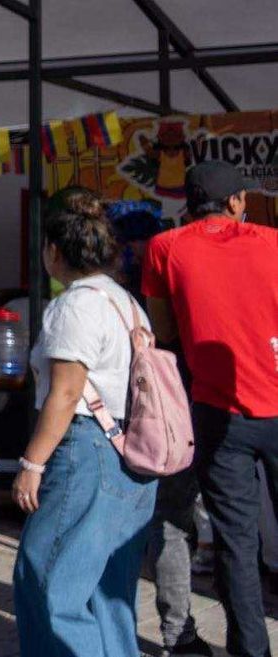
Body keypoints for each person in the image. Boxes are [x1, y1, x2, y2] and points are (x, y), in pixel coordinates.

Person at [12, 191, 157, 656]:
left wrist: (32, 463)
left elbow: (67, 392)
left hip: (88, 450)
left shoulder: (76, 304)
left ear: (55, 251)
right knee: (109, 591)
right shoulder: (125, 301)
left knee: (48, 577)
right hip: (129, 450)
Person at [143, 161, 278, 657]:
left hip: (218, 414)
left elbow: (165, 332)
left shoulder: (166, 248)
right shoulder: (274, 242)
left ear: (189, 203)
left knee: (237, 545)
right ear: (238, 201)